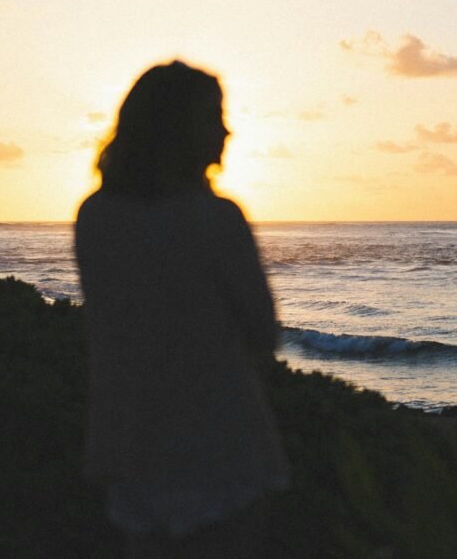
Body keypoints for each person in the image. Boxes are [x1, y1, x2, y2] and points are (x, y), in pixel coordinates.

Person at [74, 61, 289, 557]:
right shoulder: (216, 218)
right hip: (221, 449)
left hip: (130, 447)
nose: (227, 130)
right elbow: (263, 333)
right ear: (183, 130)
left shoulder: (95, 216)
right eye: (215, 116)